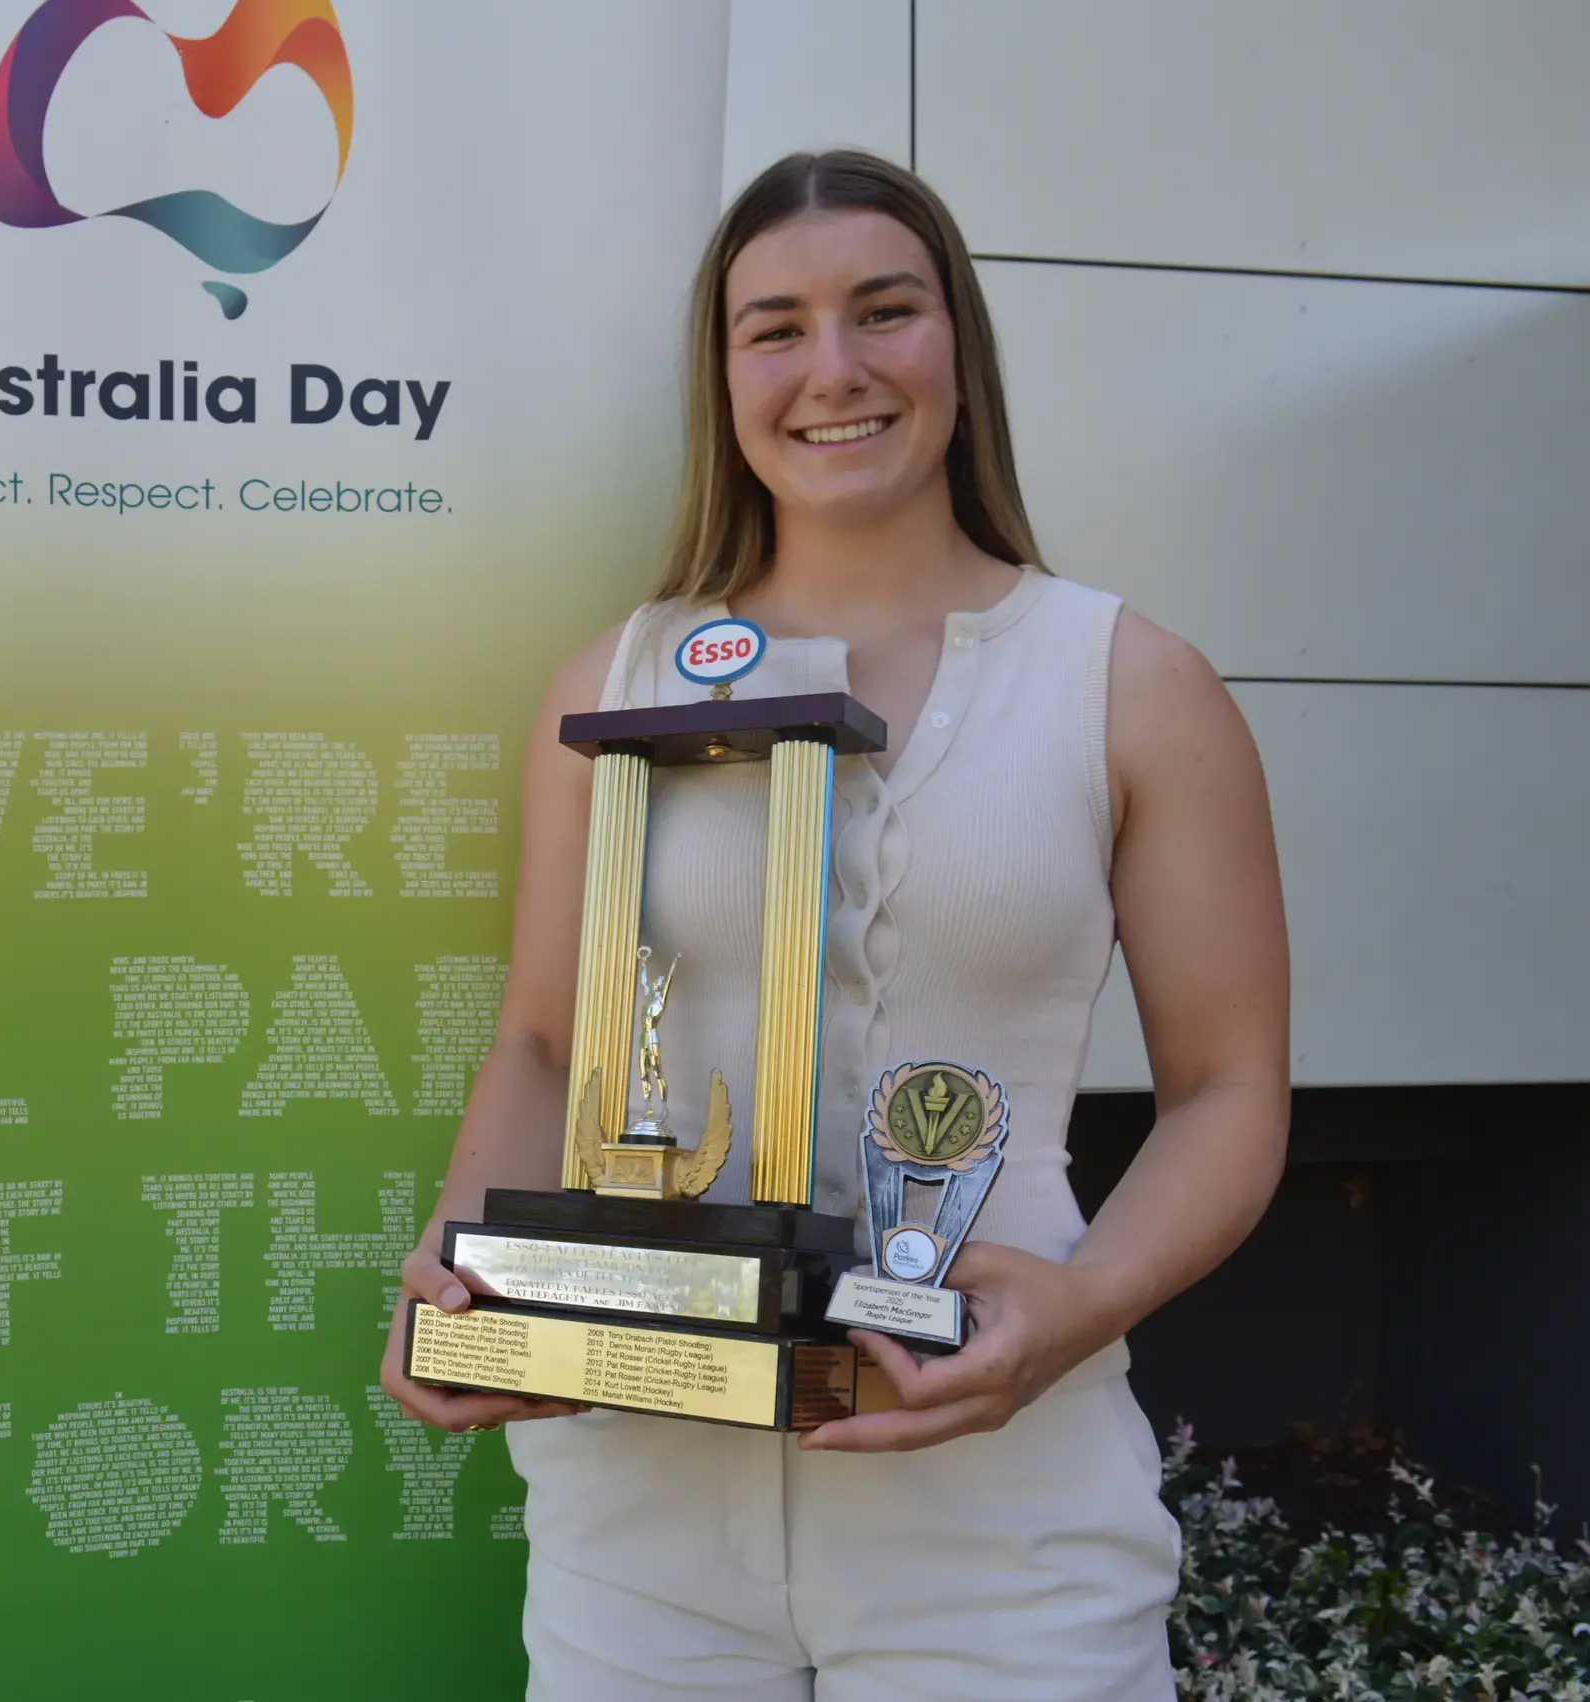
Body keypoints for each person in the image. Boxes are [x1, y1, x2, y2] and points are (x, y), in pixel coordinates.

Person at [376, 149, 1290, 1700]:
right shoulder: (611, 684)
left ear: (959, 349)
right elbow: (542, 1037)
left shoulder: (1132, 683)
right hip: (641, 1523)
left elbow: (1231, 1089)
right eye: (776, 328)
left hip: (1000, 1518)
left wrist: (1080, 1306)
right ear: (723, 375)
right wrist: (460, 1280)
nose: (835, 369)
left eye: (884, 311)